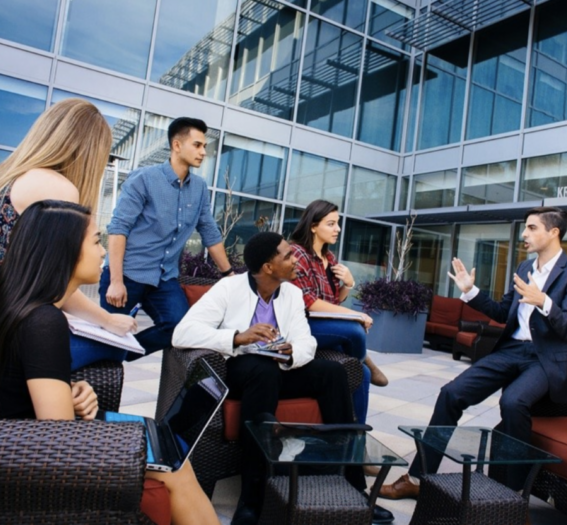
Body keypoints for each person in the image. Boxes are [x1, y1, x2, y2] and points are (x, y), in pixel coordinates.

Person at [0, 200, 220, 525]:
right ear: (65, 251)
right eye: (97, 241)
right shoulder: (44, 322)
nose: (103, 253)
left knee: (166, 448)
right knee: (175, 467)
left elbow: (13, 388)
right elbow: (59, 439)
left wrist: (69, 391)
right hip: (15, 469)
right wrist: (121, 439)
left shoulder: (17, 306)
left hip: (0, 451)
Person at [172, 232, 395, 525]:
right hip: (241, 371)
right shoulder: (228, 289)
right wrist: (237, 338)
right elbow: (182, 334)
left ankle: (353, 485)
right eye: (288, 256)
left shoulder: (291, 293)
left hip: (282, 367)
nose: (295, 261)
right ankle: (252, 498)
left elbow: (306, 340)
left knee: (333, 373)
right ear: (267, 267)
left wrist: (292, 353)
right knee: (261, 372)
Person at [379, 206, 567, 499]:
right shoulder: (523, 268)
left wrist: (544, 302)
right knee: (451, 393)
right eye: (525, 228)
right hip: (512, 350)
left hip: (545, 358)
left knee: (514, 402)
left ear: (553, 232)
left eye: (531, 228)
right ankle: (418, 478)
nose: (524, 234)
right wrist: (471, 291)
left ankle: (515, 495)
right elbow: (504, 312)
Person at [0, 98, 139, 370]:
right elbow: (55, 281)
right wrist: (107, 320)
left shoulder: (1, 178)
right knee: (115, 349)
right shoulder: (58, 190)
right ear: (90, 153)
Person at [103, 117, 233, 354]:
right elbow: (119, 228)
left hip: (164, 276)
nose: (204, 152)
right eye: (197, 145)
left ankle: (124, 351)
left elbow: (210, 232)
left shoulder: (200, 188)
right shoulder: (144, 179)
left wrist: (229, 274)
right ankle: (111, 352)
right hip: (128, 272)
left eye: (204, 146)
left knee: (179, 328)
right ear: (176, 145)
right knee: (109, 335)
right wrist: (115, 280)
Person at [288, 199, 388, 426]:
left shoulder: (329, 258)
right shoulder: (297, 254)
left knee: (362, 374)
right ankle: (367, 359)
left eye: (338, 223)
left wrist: (348, 284)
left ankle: (355, 438)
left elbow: (334, 300)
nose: (338, 229)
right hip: (302, 325)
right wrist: (355, 315)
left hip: (323, 323)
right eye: (331, 224)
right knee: (355, 330)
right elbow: (310, 303)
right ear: (313, 226)